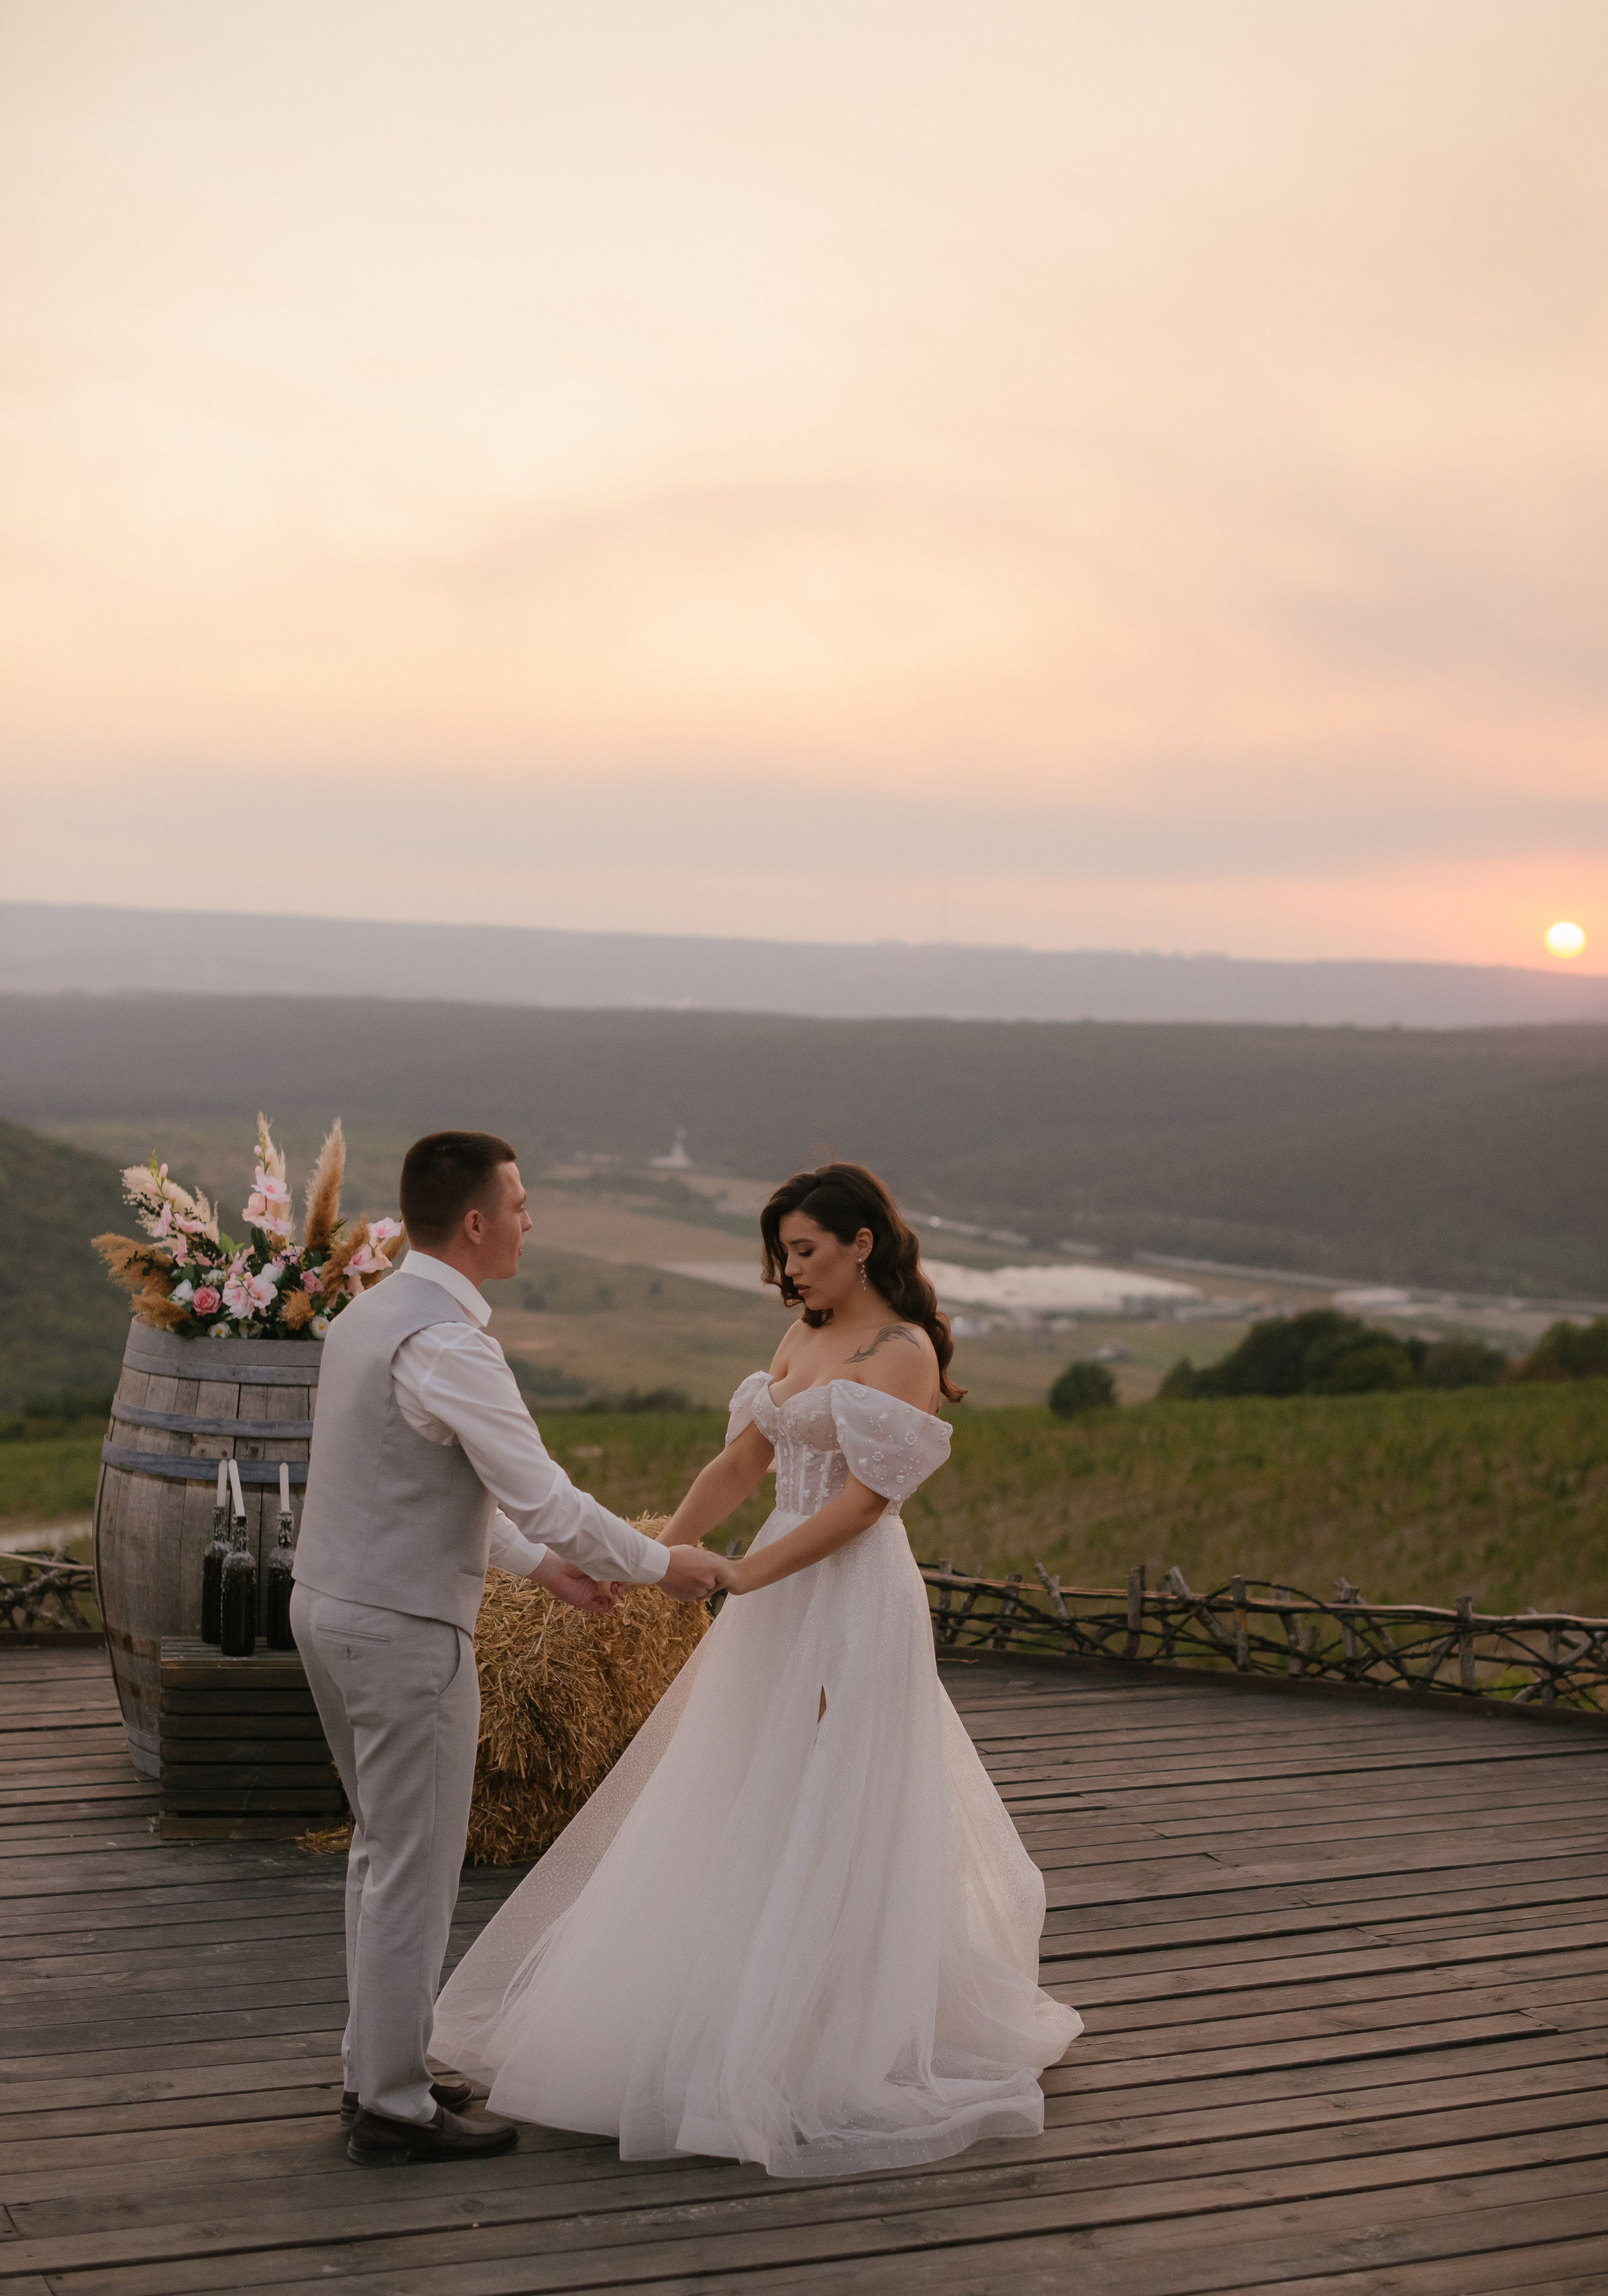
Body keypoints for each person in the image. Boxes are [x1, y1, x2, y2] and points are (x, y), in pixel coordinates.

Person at [432, 1160, 1081, 2177]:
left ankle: (821, 2022)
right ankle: (724, 1995)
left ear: (863, 1242)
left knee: (832, 1788)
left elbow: (863, 1504)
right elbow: (742, 1462)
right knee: (749, 1779)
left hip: (844, 1588)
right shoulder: (801, 1334)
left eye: (808, 1252)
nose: (793, 1272)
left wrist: (745, 1572)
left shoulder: (901, 1351)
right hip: (774, 1583)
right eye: (784, 1255)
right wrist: (651, 1558)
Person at [290, 1130, 725, 2168]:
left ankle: (376, 2063)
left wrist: (543, 1571)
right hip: (400, 1631)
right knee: (417, 1863)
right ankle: (394, 2108)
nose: (532, 1221)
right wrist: (665, 1567)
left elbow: (423, 1483)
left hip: (330, 1609)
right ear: (477, 1223)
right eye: (522, 1205)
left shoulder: (370, 1316)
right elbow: (544, 1496)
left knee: (381, 1851)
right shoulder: (451, 1345)